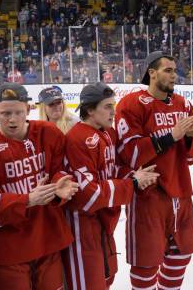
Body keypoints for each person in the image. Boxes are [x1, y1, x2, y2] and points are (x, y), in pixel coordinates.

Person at [0, 83, 79, 289]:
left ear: (28, 109)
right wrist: (26, 200)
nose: (12, 119)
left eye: (18, 112)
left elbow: (60, 169)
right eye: (5, 113)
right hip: (9, 250)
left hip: (48, 239)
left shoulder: (49, 133)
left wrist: (59, 186)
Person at [115, 51, 193, 290]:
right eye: (168, 70)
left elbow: (192, 156)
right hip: (148, 195)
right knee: (146, 262)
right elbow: (129, 153)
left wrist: (190, 138)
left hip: (181, 190)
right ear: (151, 73)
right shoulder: (131, 104)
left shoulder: (183, 104)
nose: (174, 76)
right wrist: (172, 135)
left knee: (181, 253)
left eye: (175, 70)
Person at [63, 82, 159, 289]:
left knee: (106, 276)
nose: (113, 112)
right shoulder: (77, 139)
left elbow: (113, 170)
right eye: (107, 107)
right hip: (83, 227)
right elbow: (88, 195)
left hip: (103, 224)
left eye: (113, 106)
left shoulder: (108, 133)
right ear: (90, 110)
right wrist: (132, 182)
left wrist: (136, 176)